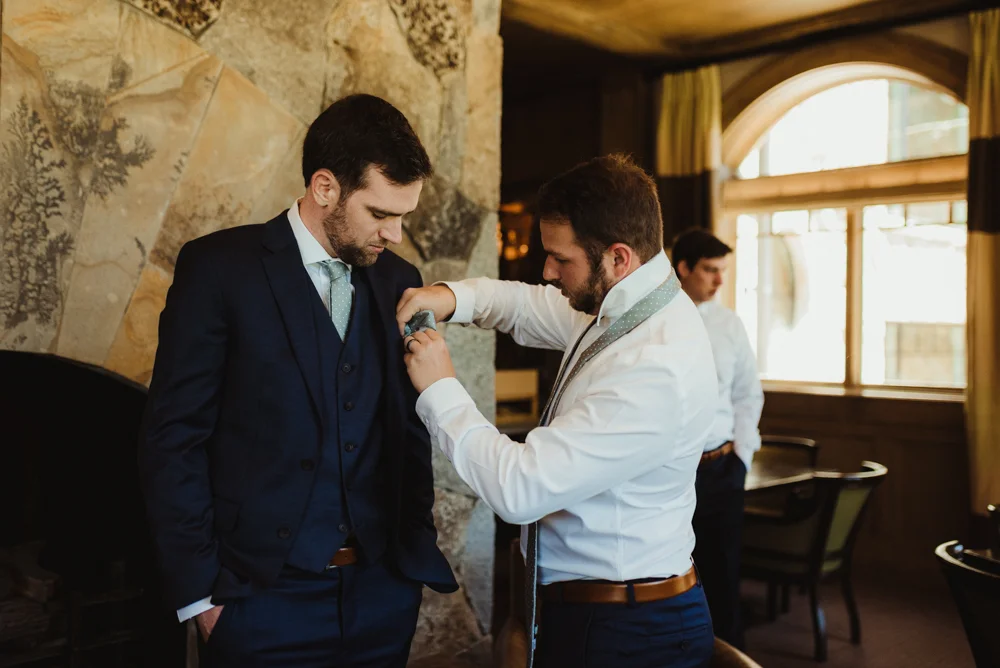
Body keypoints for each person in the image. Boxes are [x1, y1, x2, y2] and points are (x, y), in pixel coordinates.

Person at [138, 94, 457, 667]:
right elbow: (174, 437)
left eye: (404, 216)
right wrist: (200, 597)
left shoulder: (401, 281)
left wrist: (406, 564)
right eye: (382, 214)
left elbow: (408, 438)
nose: (397, 234)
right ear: (325, 188)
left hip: (380, 596)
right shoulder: (218, 269)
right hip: (257, 601)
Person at [397, 154, 719, 667]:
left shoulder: (656, 366)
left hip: (629, 633)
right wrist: (449, 295)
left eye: (560, 259)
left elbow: (520, 488)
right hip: (592, 613)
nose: (547, 271)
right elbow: (526, 306)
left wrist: (440, 388)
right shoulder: (624, 305)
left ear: (619, 257)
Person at [672, 227, 764, 650]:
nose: (720, 281)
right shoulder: (657, 320)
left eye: (723, 271)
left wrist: (742, 455)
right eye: (710, 270)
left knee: (725, 576)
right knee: (671, 574)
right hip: (672, 473)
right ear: (683, 268)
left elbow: (748, 393)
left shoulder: (730, 324)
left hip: (722, 468)